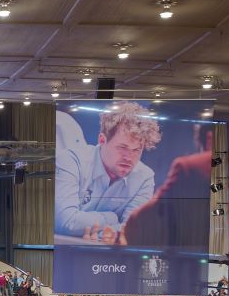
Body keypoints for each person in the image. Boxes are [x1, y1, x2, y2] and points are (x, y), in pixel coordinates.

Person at [54, 102, 160, 242]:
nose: (129, 158)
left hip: (112, 259)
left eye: (136, 150)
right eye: (122, 147)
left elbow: (132, 232)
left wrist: (98, 234)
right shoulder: (71, 160)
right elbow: (66, 222)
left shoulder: (144, 177)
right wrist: (111, 217)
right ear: (102, 140)